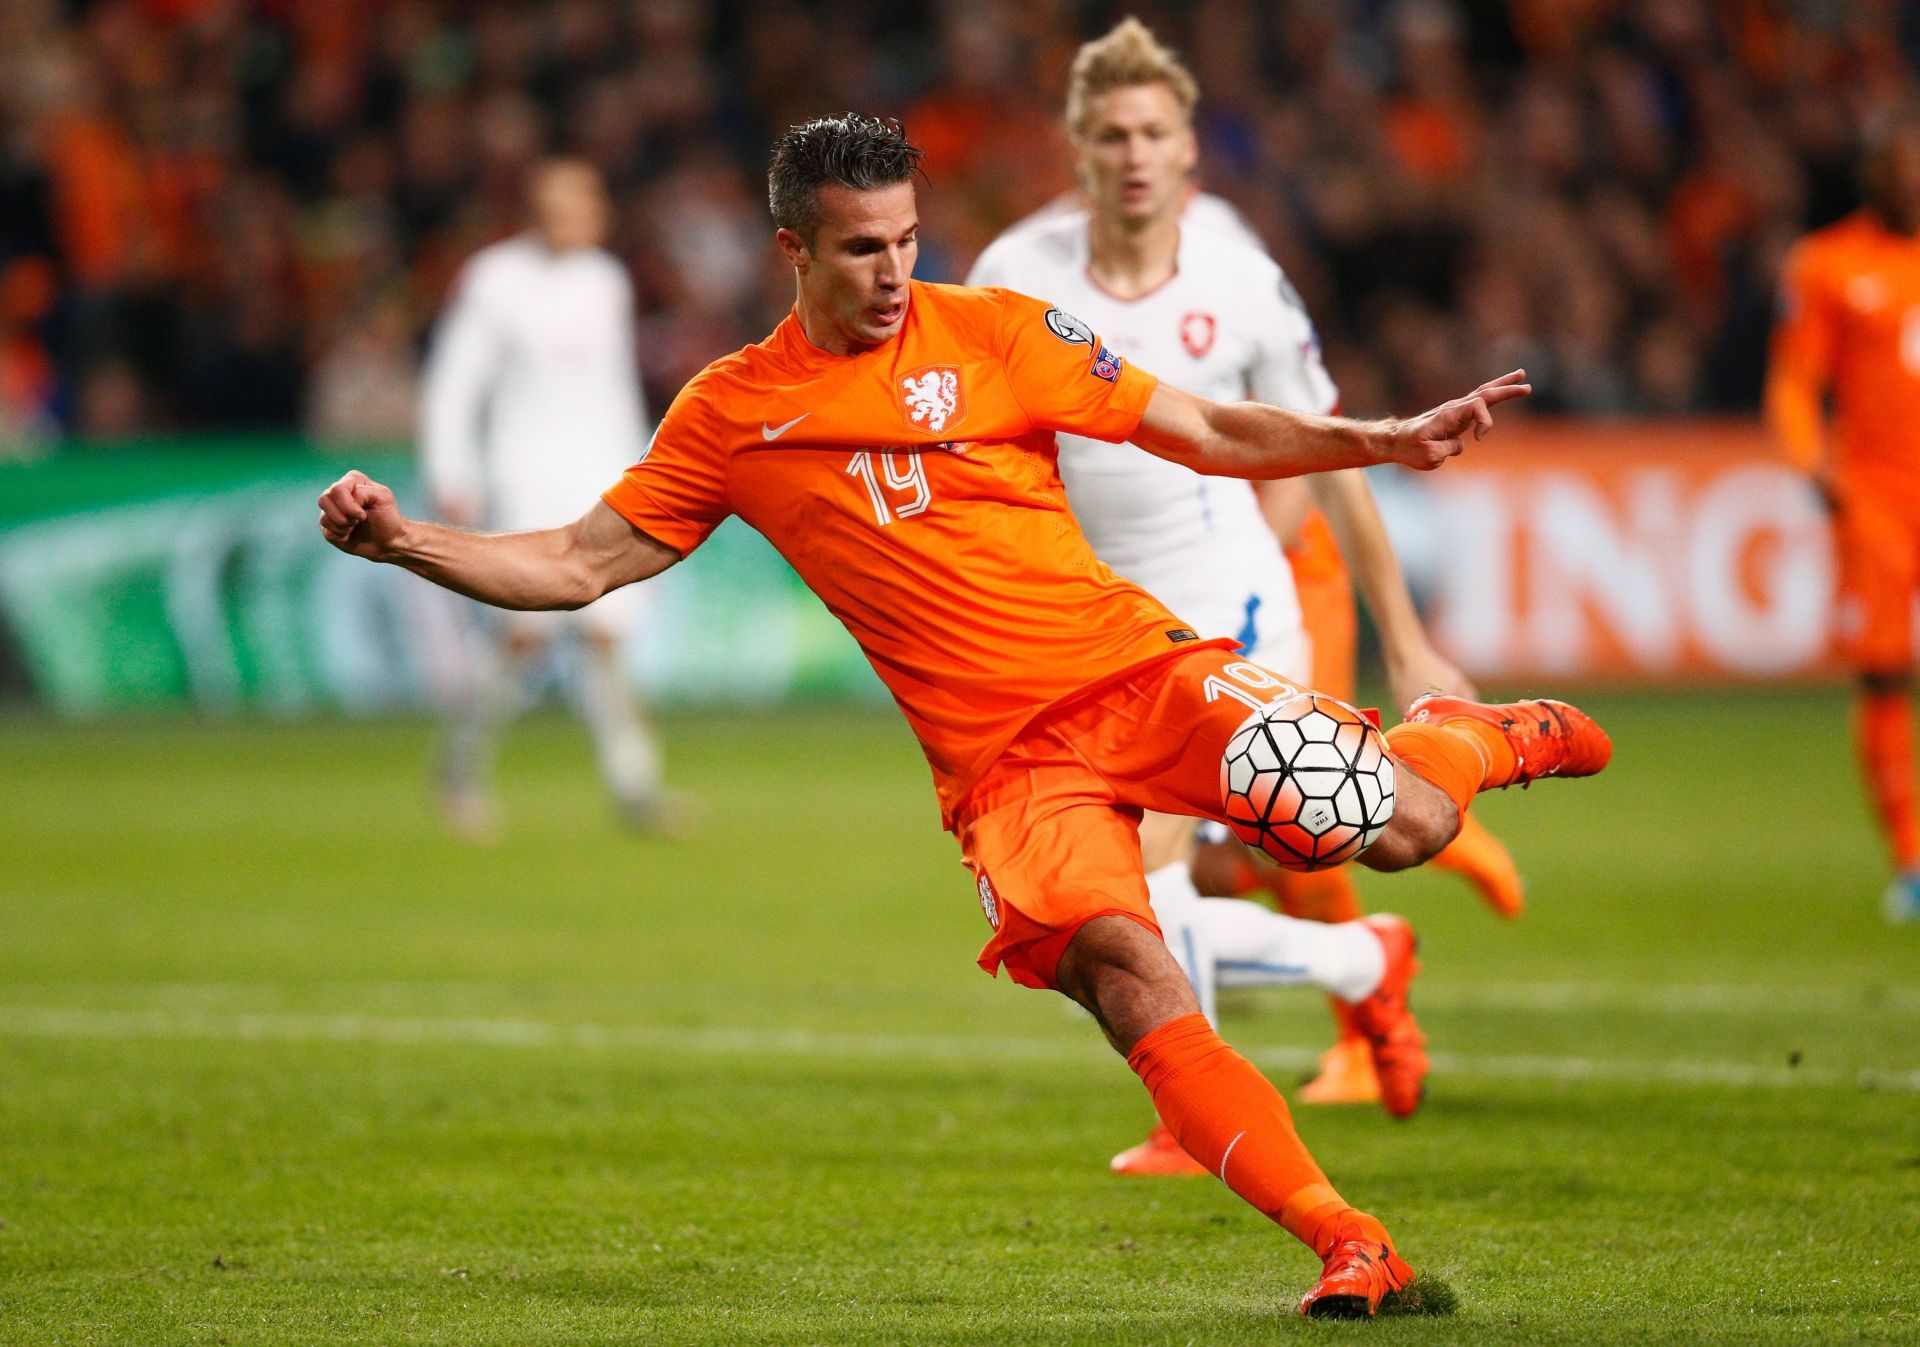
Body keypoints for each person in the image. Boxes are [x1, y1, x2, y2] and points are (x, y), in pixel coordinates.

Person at [318, 114, 1611, 1318]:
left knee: (1389, 827)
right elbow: (577, 563)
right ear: (795, 250)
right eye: (862, 247)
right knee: (1129, 975)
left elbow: (1208, 423)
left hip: (1137, 673)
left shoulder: (998, 333)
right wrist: (406, 541)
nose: (892, 271)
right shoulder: (731, 413)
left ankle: (1478, 732)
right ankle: (1350, 1241)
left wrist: (1374, 437)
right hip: (1004, 771)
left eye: (907, 239)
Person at [966, 19, 1522, 1157]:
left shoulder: (1236, 277)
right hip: (1093, 620)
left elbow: (1331, 454)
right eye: (1110, 133)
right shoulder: (1013, 276)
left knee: (1152, 862)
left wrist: (1404, 641)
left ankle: (1196, 1109)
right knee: (1169, 877)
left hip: (1229, 596)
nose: (1131, 153)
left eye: (1153, 133)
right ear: (1077, 149)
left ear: (1187, 153)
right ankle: (1361, 959)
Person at [419, 157, 680, 837]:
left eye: (587, 202)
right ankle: (459, 771)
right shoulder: (496, 279)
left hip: (598, 476)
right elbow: (456, 381)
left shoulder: (604, 281)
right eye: (565, 203)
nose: (580, 215)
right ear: (537, 209)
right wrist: (453, 472)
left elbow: (615, 388)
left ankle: (635, 784)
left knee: (604, 634)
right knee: (522, 634)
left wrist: (645, 472)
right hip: (524, 475)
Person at [1767, 111, 1920, 923]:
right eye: (1898, 165)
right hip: (1880, 500)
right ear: (1873, 177)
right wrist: (1810, 460)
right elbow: (1795, 380)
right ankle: (1911, 861)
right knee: (1885, 674)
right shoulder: (1828, 263)